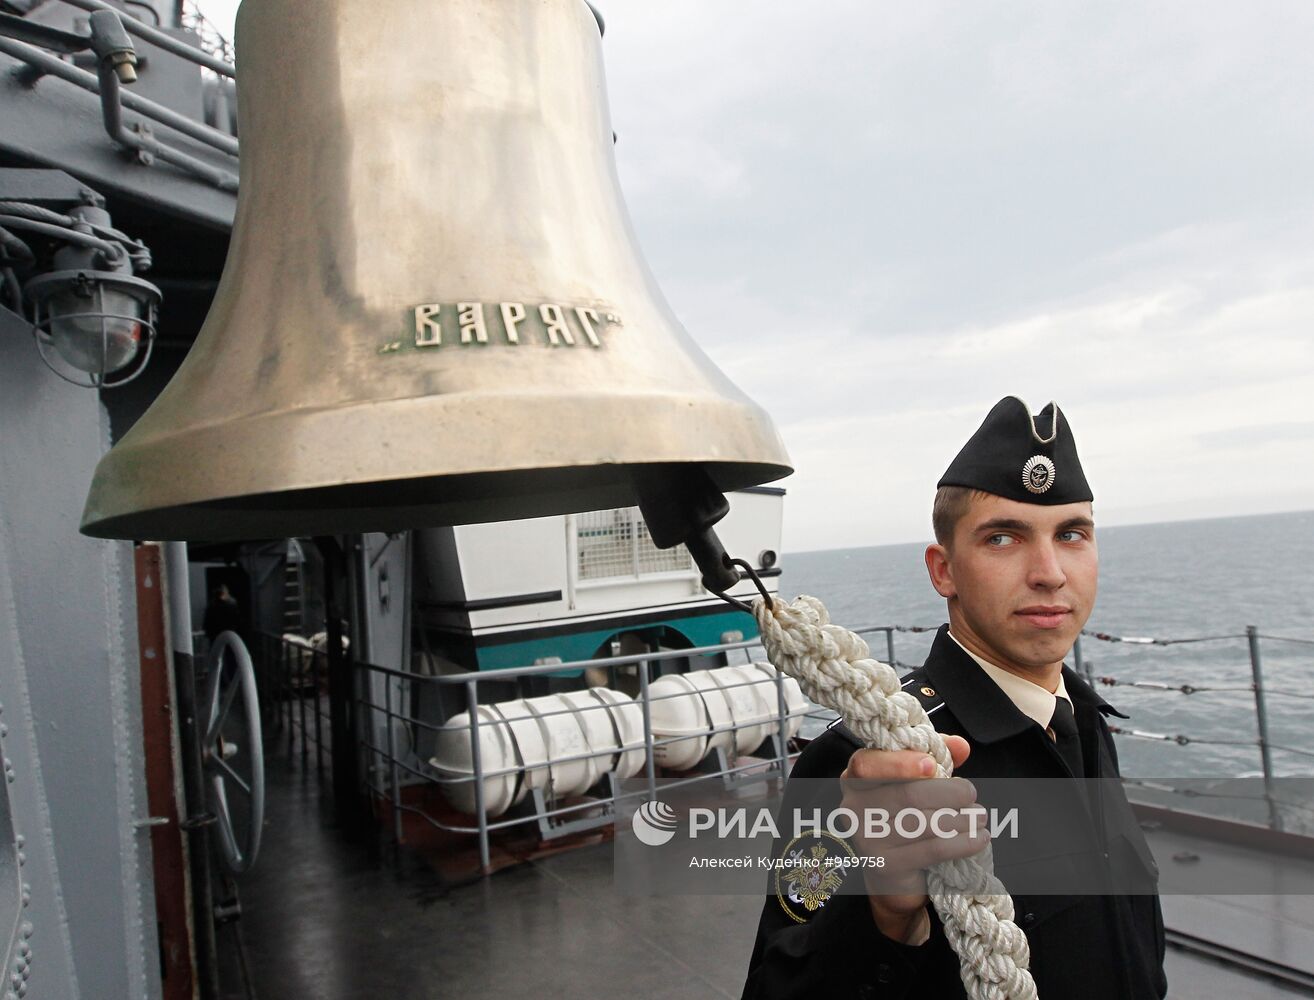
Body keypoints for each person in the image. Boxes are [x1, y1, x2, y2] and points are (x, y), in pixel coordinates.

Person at [740, 396, 1167, 998]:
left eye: (1071, 533)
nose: (1049, 571)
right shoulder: (864, 767)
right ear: (944, 571)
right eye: (1003, 539)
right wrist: (883, 917)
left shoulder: (1083, 725)